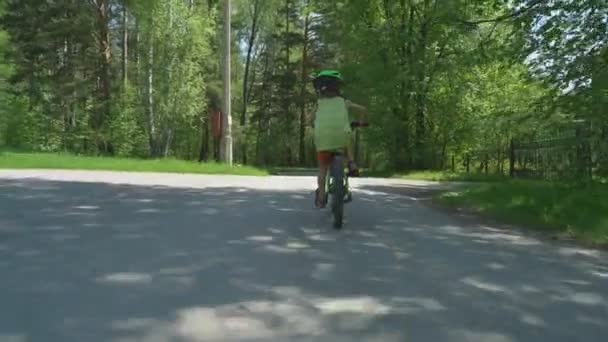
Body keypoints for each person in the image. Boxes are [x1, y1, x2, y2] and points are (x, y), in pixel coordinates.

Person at [310, 69, 368, 208]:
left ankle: (322, 196)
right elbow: (363, 109)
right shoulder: (344, 102)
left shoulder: (319, 104)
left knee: (323, 169)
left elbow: (309, 119)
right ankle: (352, 163)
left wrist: (314, 124)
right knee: (346, 136)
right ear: (338, 88)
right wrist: (361, 122)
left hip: (322, 138)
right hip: (341, 138)